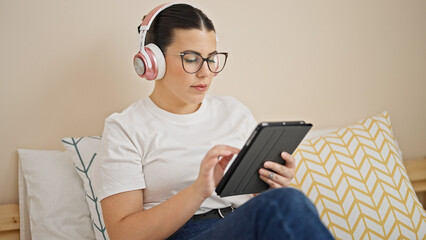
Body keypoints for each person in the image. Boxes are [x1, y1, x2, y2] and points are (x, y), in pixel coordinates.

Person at [92, 3, 334, 240]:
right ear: (155, 61)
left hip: (245, 223)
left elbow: (258, 203)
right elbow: (123, 234)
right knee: (286, 202)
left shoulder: (234, 111)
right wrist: (199, 190)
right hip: (184, 234)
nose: (205, 72)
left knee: (286, 199)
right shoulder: (126, 128)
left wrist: (271, 185)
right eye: (191, 58)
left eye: (211, 58)